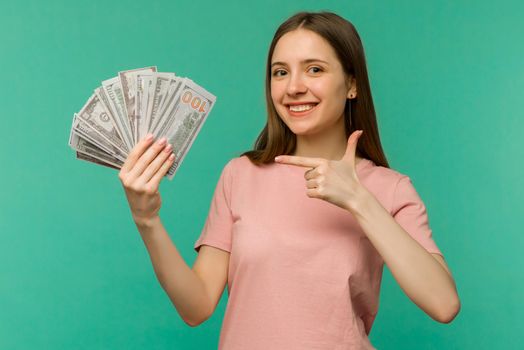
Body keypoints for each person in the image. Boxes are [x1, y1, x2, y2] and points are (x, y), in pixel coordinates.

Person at [118, 11, 461, 350]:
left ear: (352, 84)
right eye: (280, 73)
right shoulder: (240, 175)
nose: (294, 87)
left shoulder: (390, 188)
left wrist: (359, 200)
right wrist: (147, 220)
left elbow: (443, 304)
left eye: (315, 69)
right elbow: (196, 307)